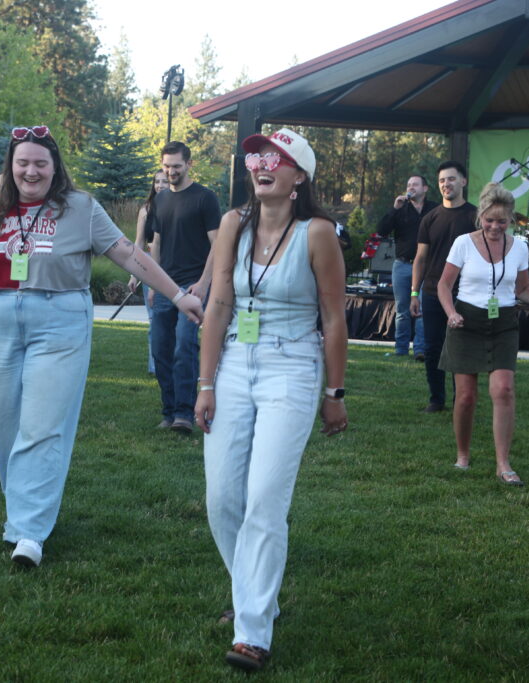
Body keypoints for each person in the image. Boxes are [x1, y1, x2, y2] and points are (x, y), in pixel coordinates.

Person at [0, 126, 203, 568]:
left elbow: (129, 255)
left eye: (40, 162)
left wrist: (178, 295)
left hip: (59, 320)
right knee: (6, 427)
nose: (31, 171)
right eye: (22, 162)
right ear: (11, 166)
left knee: (42, 426)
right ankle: (20, 516)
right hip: (2, 317)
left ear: (55, 167)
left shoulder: (80, 208)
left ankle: (30, 533)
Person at [195, 128, 348, 672]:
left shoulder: (317, 233)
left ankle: (252, 631)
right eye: (258, 156)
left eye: (278, 159)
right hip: (235, 360)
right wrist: (205, 383)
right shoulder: (233, 225)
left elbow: (333, 318)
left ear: (299, 177)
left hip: (293, 364)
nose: (263, 165)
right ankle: (256, 594)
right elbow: (217, 306)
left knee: (264, 497)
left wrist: (335, 391)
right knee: (221, 498)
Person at [438, 183, 529, 486]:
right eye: (489, 220)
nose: (495, 226)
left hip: (503, 323)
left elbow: (522, 289)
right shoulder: (463, 243)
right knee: (466, 397)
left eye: (502, 221)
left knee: (503, 390)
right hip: (466, 322)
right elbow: (444, 285)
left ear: (511, 219)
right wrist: (452, 313)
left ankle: (503, 464)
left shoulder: (521, 246)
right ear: (480, 216)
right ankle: (463, 454)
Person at [149, 141, 221, 433]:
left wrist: (203, 284)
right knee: (160, 349)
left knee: (184, 347)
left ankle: (184, 414)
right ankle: (168, 411)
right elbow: (157, 243)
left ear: (189, 164)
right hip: (165, 287)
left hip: (193, 287)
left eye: (176, 166)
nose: (171, 171)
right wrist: (154, 283)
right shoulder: (161, 199)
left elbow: (218, 244)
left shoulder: (205, 198)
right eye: (167, 166)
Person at [410, 161, 477, 413]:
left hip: (466, 293)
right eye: (441, 181)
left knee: (461, 347)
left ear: (463, 182)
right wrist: (414, 292)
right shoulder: (430, 218)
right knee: (432, 347)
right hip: (431, 292)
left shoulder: (475, 216)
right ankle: (436, 399)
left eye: (451, 179)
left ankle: (462, 398)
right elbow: (420, 258)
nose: (446, 184)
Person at [376, 174, 437, 359]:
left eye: (415, 184)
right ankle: (401, 350)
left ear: (425, 189)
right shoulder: (401, 209)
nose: (411, 187)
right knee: (402, 309)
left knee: (422, 309)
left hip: (427, 266)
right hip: (402, 265)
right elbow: (381, 230)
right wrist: (395, 209)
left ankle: (420, 350)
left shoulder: (434, 209)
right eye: (408, 184)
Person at [128, 170, 170, 374]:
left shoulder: (176, 206)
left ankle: (172, 363)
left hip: (173, 268)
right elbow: (138, 242)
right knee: (154, 319)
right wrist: (134, 273)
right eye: (157, 182)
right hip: (150, 269)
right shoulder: (146, 209)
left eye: (165, 181)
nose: (160, 185)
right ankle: (155, 367)